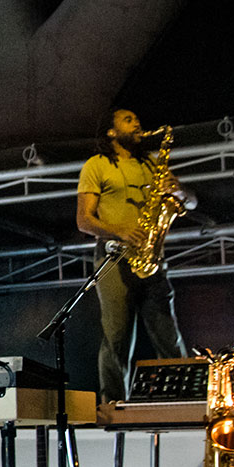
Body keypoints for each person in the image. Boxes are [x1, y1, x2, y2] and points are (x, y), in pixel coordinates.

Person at [76, 108, 195, 402]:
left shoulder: (153, 164)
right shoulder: (97, 165)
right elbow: (84, 221)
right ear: (111, 132)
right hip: (114, 258)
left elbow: (191, 203)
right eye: (128, 120)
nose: (137, 123)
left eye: (137, 118)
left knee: (168, 333)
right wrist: (120, 230)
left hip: (152, 258)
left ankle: (182, 398)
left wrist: (178, 190)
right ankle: (113, 403)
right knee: (117, 337)